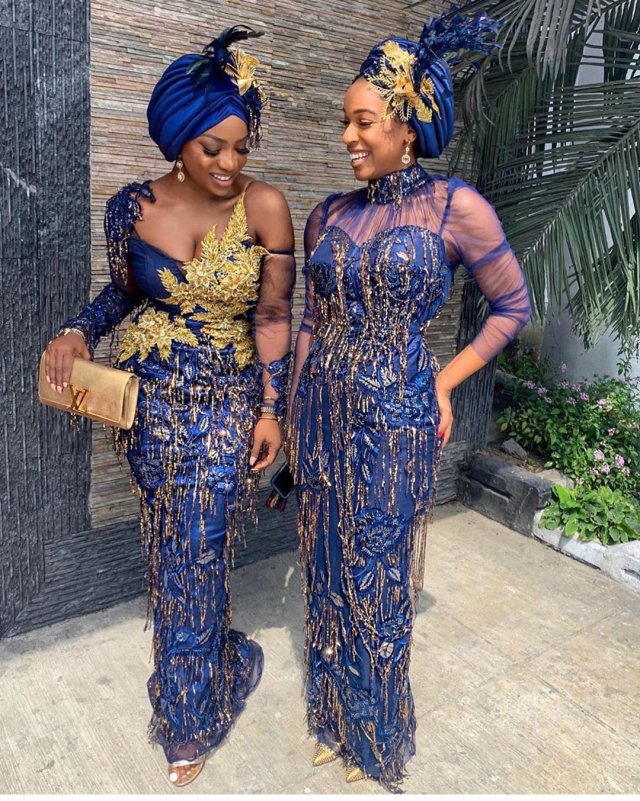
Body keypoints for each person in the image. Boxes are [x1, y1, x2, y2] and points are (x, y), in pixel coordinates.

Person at [45, 26, 295, 787]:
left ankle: (186, 719)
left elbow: (273, 316)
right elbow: (123, 294)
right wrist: (75, 330)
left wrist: (272, 410)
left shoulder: (266, 206)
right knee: (175, 552)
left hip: (224, 408)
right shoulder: (130, 208)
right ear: (178, 138)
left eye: (241, 148)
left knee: (195, 546)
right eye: (212, 147)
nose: (229, 164)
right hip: (147, 410)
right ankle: (215, 658)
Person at [288, 11, 531, 791]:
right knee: (327, 565)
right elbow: (310, 324)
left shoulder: (456, 207)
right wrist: (290, 415)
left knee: (380, 573)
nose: (347, 138)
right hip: (322, 411)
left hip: (396, 415)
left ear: (407, 123)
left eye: (363, 122)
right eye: (346, 122)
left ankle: (376, 732)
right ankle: (334, 715)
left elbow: (512, 307)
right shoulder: (330, 213)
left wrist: (444, 380)